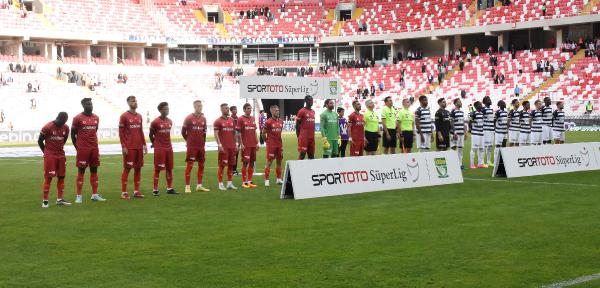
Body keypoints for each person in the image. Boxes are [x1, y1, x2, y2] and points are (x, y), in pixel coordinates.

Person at [71, 98, 105, 203]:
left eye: (91, 104)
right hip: (83, 149)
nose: (90, 105)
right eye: (87, 104)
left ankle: (94, 194)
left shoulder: (96, 117)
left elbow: (95, 130)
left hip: (94, 148)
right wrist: (77, 147)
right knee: (81, 171)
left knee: (94, 171)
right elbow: (73, 134)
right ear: (83, 106)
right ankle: (79, 196)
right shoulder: (77, 118)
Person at [39, 112, 71, 208]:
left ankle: (60, 199)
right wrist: (46, 152)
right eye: (60, 121)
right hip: (50, 156)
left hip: (61, 155)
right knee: (49, 177)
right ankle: (45, 201)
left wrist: (59, 148)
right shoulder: (48, 127)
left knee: (61, 176)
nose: (62, 123)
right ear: (57, 118)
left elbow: (64, 140)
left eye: (64, 122)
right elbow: (40, 140)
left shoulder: (66, 127)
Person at [119, 96, 147, 199]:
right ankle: (124, 192)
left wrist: (144, 144)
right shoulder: (124, 116)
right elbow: (121, 133)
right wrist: (123, 146)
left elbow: (141, 131)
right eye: (133, 101)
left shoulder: (139, 116)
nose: (135, 102)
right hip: (129, 147)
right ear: (128, 103)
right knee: (127, 169)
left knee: (138, 169)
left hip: (139, 147)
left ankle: (136, 191)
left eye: (136, 100)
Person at [149, 102, 177, 196]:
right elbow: (150, 134)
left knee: (169, 169)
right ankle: (155, 189)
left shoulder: (170, 121)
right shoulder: (155, 122)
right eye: (165, 109)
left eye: (168, 108)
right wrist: (154, 143)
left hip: (169, 147)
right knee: (158, 169)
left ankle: (169, 188)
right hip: (160, 148)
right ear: (160, 110)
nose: (167, 110)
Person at [182, 100, 210, 193]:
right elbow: (183, 132)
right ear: (194, 107)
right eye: (198, 106)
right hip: (192, 146)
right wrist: (188, 141)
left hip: (201, 146)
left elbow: (204, 133)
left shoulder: (204, 118)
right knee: (190, 165)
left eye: (201, 106)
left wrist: (203, 143)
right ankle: (187, 186)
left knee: (201, 165)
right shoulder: (188, 118)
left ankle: (199, 186)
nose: (200, 107)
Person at [214, 103, 238, 190]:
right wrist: (219, 145)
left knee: (231, 165)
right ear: (221, 110)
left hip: (232, 147)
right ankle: (220, 184)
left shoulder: (232, 120)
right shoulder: (218, 121)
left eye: (228, 108)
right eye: (226, 108)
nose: (228, 110)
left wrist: (236, 144)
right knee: (222, 165)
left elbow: (234, 133)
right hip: (223, 147)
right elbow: (216, 134)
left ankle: (229, 183)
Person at [236, 103, 259, 188]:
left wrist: (257, 143)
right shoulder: (240, 119)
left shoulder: (253, 118)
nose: (250, 110)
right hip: (246, 145)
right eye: (248, 108)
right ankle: (244, 182)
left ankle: (250, 181)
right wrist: (241, 144)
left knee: (252, 162)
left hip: (253, 144)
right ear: (244, 109)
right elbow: (238, 132)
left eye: (251, 108)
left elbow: (254, 131)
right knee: (245, 163)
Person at [263, 105, 284, 186]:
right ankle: (267, 180)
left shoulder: (281, 121)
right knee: (269, 162)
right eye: (276, 110)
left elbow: (279, 133)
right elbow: (263, 133)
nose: (277, 112)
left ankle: (278, 179)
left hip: (279, 145)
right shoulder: (268, 122)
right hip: (271, 145)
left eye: (278, 110)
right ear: (271, 112)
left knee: (279, 161)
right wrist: (267, 141)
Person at [296, 95, 316, 160]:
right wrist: (298, 136)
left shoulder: (313, 111)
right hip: (304, 137)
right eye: (310, 100)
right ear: (306, 101)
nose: (311, 102)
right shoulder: (301, 111)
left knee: (311, 156)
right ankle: (297, 169)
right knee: (302, 154)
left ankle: (311, 170)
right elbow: (297, 125)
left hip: (312, 137)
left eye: (312, 100)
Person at [450, 98, 466, 169]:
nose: (461, 103)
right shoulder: (453, 111)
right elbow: (451, 122)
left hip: (461, 133)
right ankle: (452, 163)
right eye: (459, 102)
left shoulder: (462, 112)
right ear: (455, 103)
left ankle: (460, 164)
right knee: (453, 148)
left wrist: (465, 131)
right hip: (455, 133)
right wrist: (454, 132)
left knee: (460, 148)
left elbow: (462, 123)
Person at [469, 102, 485, 169]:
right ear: (475, 106)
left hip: (481, 133)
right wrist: (471, 129)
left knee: (481, 149)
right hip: (475, 133)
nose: (480, 105)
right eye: (479, 105)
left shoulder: (482, 113)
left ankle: (480, 164)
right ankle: (472, 164)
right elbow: (470, 122)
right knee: (474, 149)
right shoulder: (473, 113)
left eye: (481, 104)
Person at [481, 96, 495, 166]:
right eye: (488, 99)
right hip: (485, 130)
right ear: (485, 101)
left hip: (492, 130)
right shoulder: (483, 109)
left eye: (490, 99)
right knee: (484, 146)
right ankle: (482, 162)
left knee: (490, 146)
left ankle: (489, 161)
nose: (489, 100)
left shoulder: (491, 109)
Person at [229, 106, 240, 175]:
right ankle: (231, 169)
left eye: (236, 109)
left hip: (238, 140)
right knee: (232, 155)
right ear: (231, 111)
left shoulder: (239, 119)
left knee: (236, 155)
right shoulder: (230, 119)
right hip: (231, 140)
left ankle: (234, 169)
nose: (236, 110)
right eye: (234, 109)